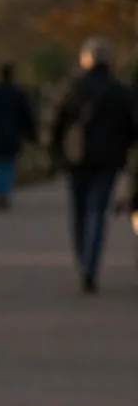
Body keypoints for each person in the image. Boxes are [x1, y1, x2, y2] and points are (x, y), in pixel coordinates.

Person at [50, 37, 138, 293]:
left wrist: (56, 155)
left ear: (84, 59)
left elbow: (55, 122)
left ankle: (82, 260)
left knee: (78, 213)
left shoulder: (72, 86)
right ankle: (91, 265)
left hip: (76, 160)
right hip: (108, 161)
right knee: (97, 213)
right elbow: (133, 127)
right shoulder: (120, 90)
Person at [0, 62, 37, 211]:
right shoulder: (18, 94)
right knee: (9, 165)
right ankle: (5, 193)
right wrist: (31, 134)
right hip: (13, 135)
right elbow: (27, 116)